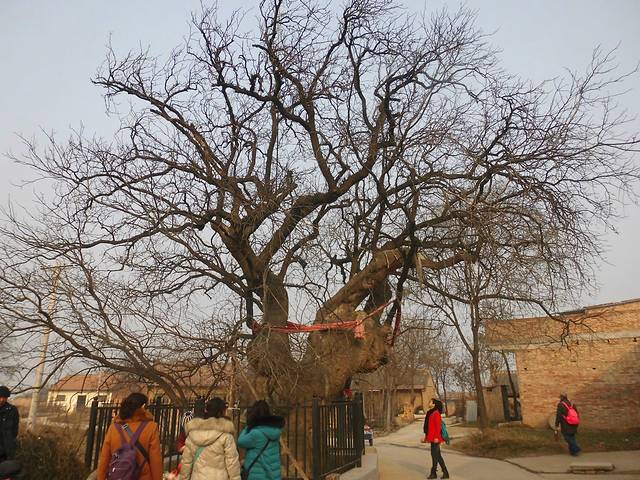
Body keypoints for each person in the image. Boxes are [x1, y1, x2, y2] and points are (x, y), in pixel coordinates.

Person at [97, 392, 163, 480]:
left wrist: (101, 477)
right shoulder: (151, 428)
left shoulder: (114, 428)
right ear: (143, 407)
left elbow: (104, 459)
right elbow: (155, 461)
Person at [178, 397, 240, 480]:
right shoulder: (226, 436)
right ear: (222, 412)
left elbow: (186, 462)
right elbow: (232, 463)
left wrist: (183, 478)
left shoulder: (194, 434)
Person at [237, 400, 284, 480]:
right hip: (273, 476)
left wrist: (248, 426)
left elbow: (240, 441)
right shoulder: (275, 431)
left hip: (258, 476)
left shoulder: (256, 433)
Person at [423, 398, 449, 479]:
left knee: (435, 455)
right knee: (436, 455)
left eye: (430, 402)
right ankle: (444, 473)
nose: (429, 403)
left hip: (436, 438)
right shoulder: (431, 413)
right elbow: (429, 427)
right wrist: (426, 438)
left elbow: (438, 427)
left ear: (434, 404)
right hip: (432, 438)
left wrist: (437, 437)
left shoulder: (436, 413)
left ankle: (434, 473)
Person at [0, 386, 19, 463]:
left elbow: (15, 430)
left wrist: (10, 441)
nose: (1, 400)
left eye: (4, 397)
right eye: (0, 397)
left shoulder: (12, 410)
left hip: (7, 451)